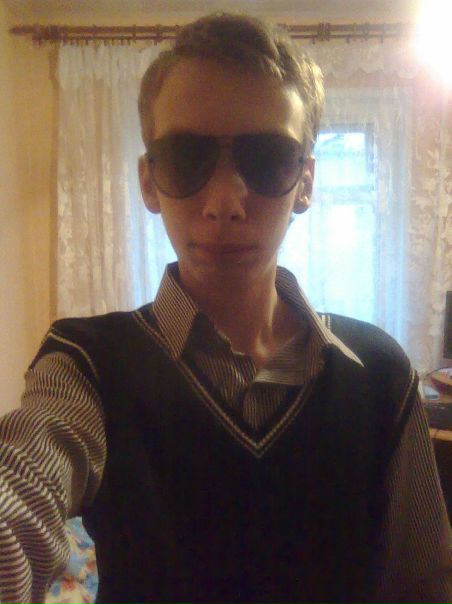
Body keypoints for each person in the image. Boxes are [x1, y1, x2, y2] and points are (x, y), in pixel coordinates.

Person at [0, 12, 451, 604]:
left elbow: (424, 585)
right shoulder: (85, 361)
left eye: (268, 158)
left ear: (306, 182)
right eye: (185, 157)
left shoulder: (382, 372)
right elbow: (24, 489)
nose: (225, 201)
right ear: (148, 181)